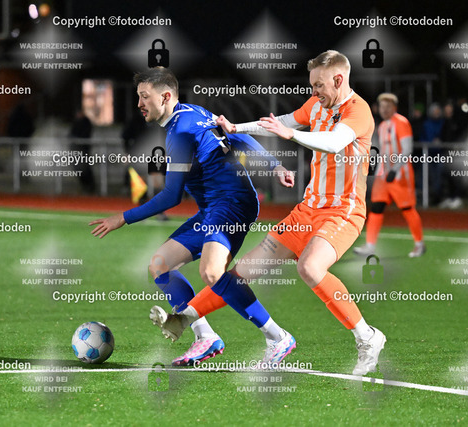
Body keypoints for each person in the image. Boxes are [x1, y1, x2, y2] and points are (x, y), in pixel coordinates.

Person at [158, 50, 387, 376]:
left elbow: (335, 142)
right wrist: (236, 127)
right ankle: (187, 319)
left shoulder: (358, 111)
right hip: (307, 210)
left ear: (339, 80)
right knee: (239, 275)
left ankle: (367, 337)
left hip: (343, 211)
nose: (314, 91)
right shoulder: (317, 105)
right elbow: (280, 123)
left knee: (310, 267)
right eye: (312, 85)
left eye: (319, 85)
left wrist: (290, 134)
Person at [89, 68, 297, 366]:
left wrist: (123, 217)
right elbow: (236, 136)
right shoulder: (194, 112)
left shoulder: (180, 132)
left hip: (231, 203)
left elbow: (171, 196)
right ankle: (205, 337)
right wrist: (274, 165)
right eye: (138, 97)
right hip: (213, 208)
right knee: (160, 265)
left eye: (144, 97)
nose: (139, 104)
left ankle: (278, 337)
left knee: (212, 273)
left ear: (165, 96)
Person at [354, 93, 425, 258]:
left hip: (400, 175)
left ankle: (419, 244)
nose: (384, 110)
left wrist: (395, 169)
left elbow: (407, 149)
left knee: (407, 209)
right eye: (382, 106)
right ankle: (370, 246)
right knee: (376, 208)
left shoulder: (401, 122)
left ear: (394, 108)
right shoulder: (382, 126)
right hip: (384, 177)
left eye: (388, 106)